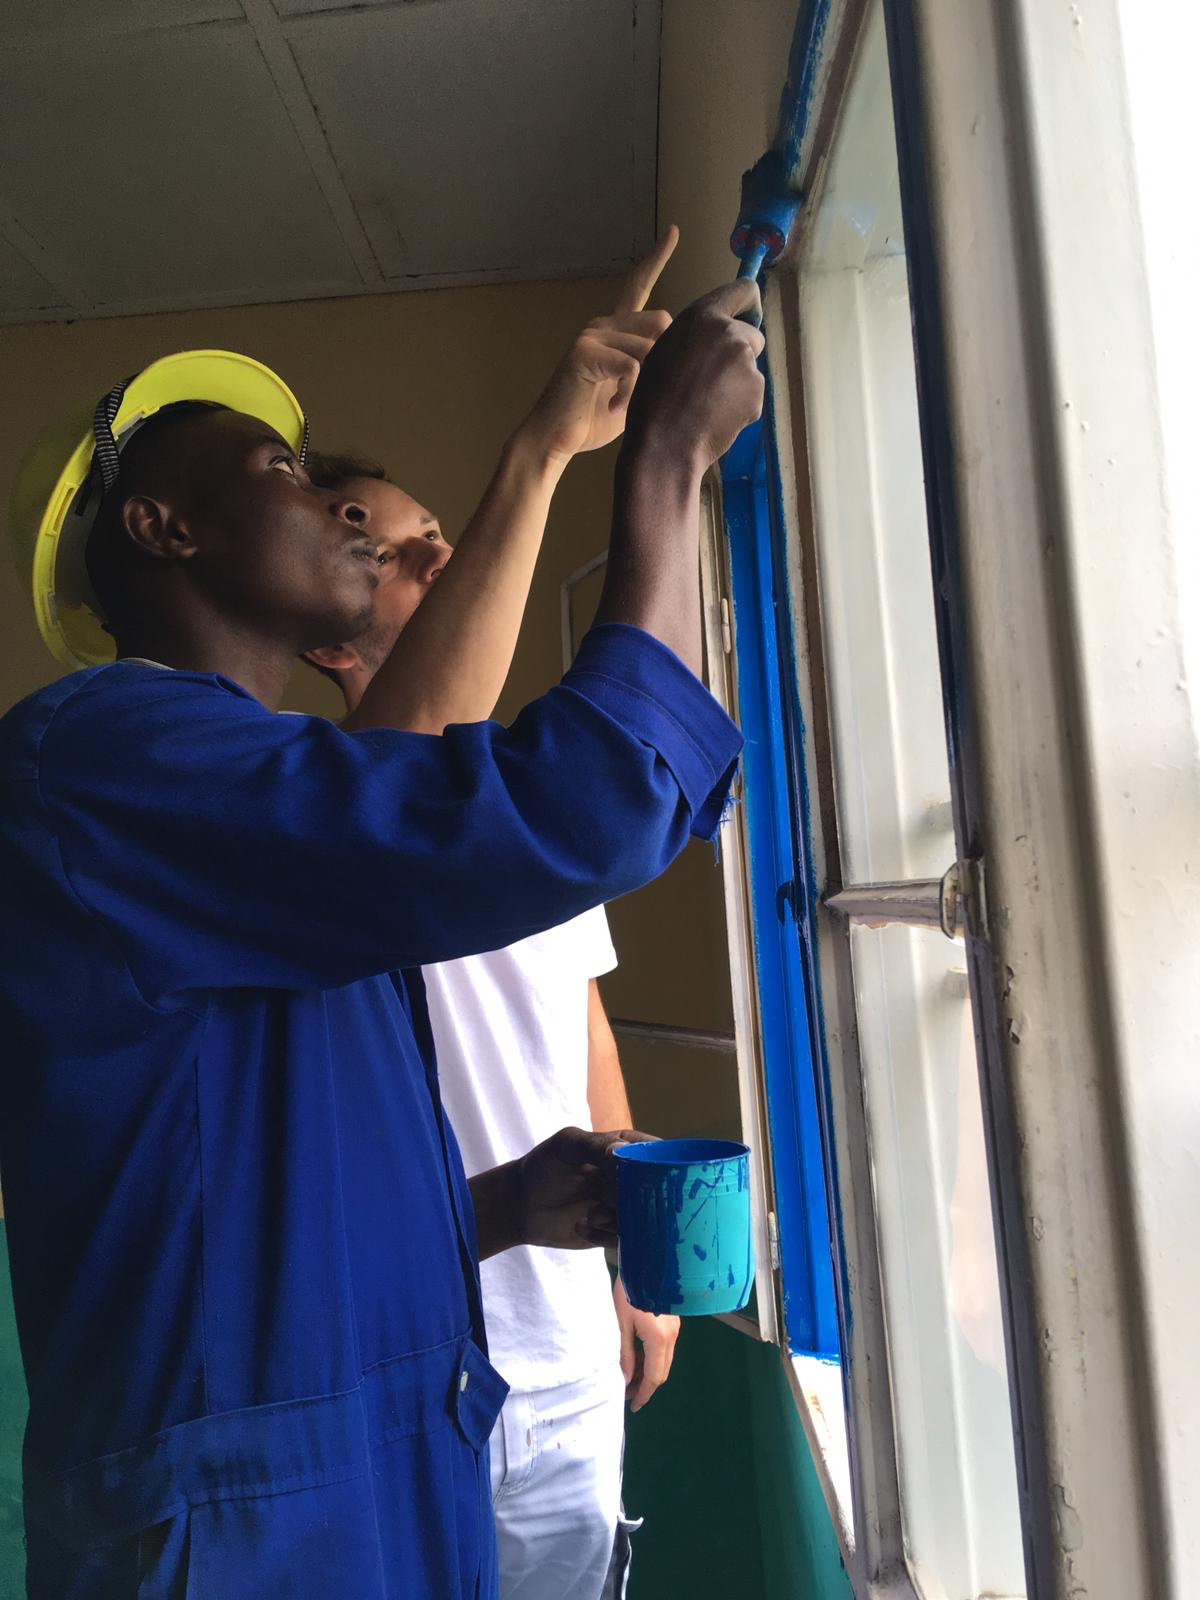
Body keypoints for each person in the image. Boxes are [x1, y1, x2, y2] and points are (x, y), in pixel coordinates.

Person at [0, 277, 764, 1598]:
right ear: (163, 525)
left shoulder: (260, 799)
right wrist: (667, 469)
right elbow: (580, 803)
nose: (335, 509)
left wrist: (489, 1208)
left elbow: (247, 1201)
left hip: (363, 1475)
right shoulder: (103, 761)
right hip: (241, 1530)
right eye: (284, 473)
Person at [301, 239, 685, 1599]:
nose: (442, 552)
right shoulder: (317, 821)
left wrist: (636, 1271)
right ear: (328, 636)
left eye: (432, 535)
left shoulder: (523, 799)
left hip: (570, 1358)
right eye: (397, 550)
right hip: (408, 1365)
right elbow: (420, 754)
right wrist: (562, 449)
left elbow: (579, 1025)